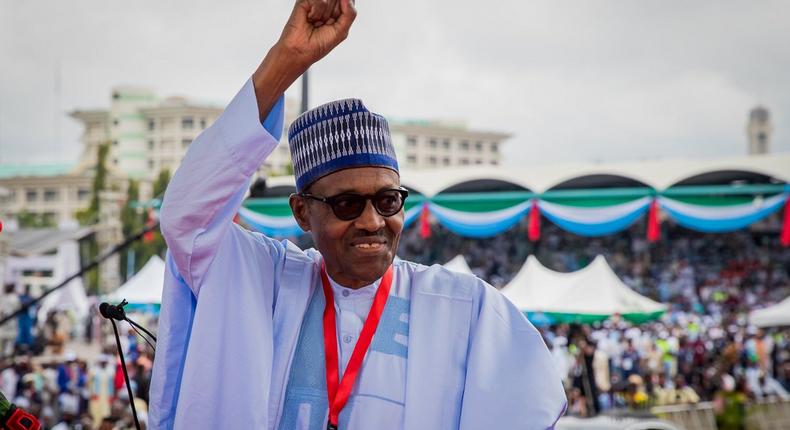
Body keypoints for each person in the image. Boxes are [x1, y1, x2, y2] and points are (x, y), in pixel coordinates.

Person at [149, 0, 566, 428]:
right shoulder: (264, 282)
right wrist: (287, 60)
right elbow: (187, 215)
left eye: (388, 201)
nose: (371, 221)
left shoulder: (463, 307)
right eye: (347, 204)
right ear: (302, 212)